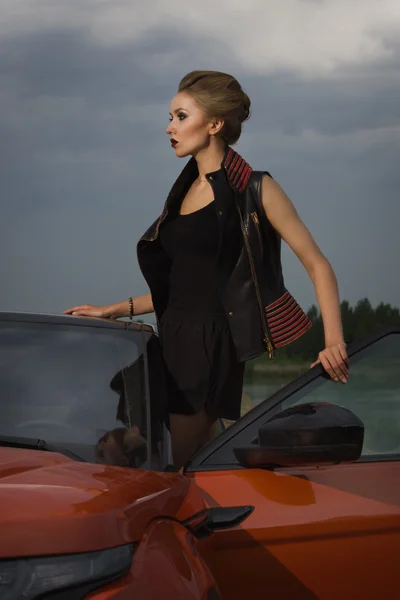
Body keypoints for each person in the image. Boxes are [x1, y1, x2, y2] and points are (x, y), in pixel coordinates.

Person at [63, 70, 349, 469]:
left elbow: (318, 265)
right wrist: (111, 310)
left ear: (214, 124)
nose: (169, 128)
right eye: (171, 116)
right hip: (166, 343)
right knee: (109, 450)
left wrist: (333, 341)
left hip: (209, 350)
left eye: (180, 116)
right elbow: (184, 287)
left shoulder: (255, 188)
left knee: (159, 470)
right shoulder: (182, 193)